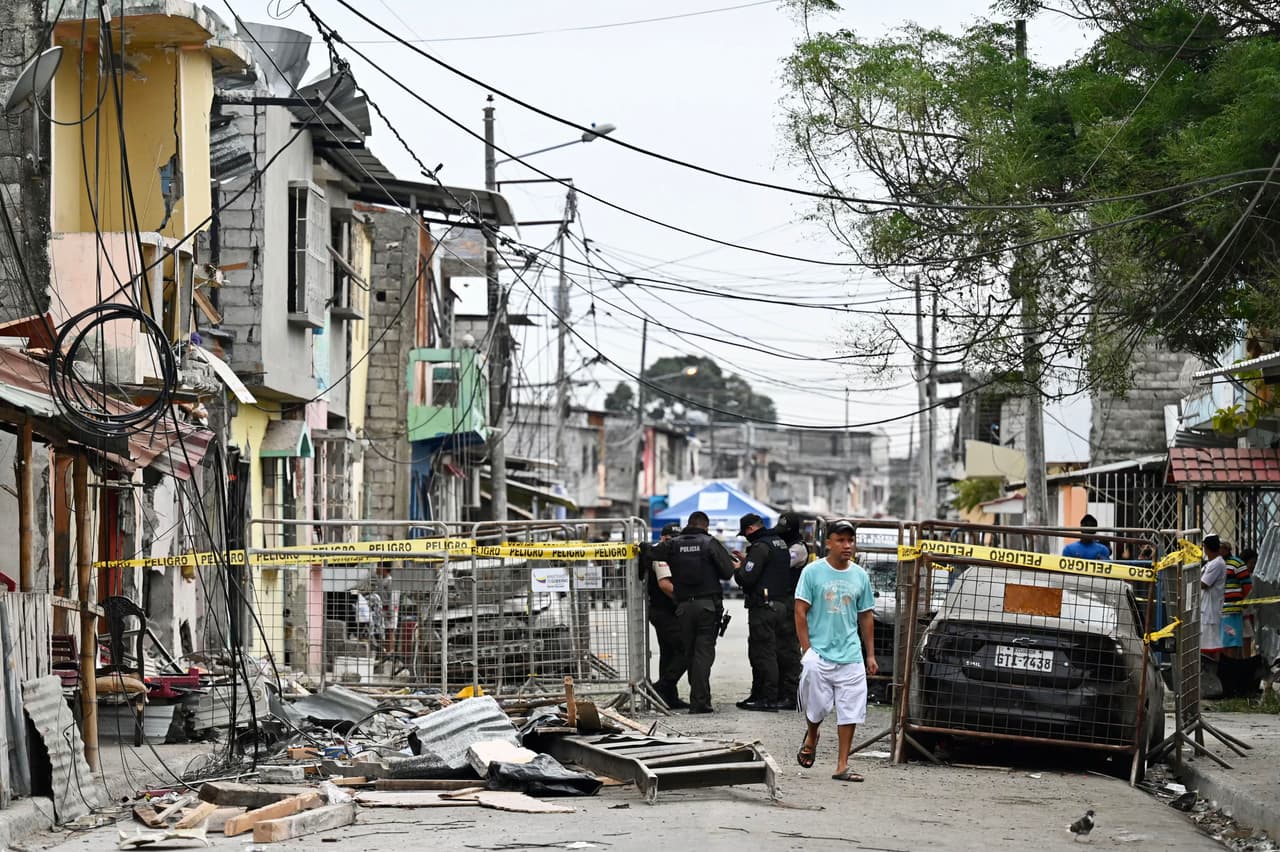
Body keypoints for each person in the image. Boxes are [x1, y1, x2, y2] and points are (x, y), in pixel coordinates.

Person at [794, 519, 878, 782]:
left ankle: (842, 764)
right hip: (819, 652)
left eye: (850, 540)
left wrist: (870, 654)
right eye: (840, 540)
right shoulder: (812, 572)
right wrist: (807, 649)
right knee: (816, 706)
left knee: (851, 708)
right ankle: (812, 733)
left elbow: (866, 616)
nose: (847, 545)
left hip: (850, 653)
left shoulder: (860, 576)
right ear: (828, 543)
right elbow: (799, 610)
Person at [651, 510, 736, 714]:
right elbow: (727, 572)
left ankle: (686, 695)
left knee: (689, 653)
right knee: (703, 654)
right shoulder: (710, 543)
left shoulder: (673, 544)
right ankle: (700, 702)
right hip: (707, 606)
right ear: (705, 526)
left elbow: (651, 553)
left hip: (682, 607)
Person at [732, 512, 802, 712]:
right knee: (772, 652)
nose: (746, 536)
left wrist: (739, 568)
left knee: (763, 653)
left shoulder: (760, 546)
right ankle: (762, 695)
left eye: (745, 533)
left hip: (763, 607)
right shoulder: (779, 543)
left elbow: (747, 578)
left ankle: (767, 698)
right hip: (780, 604)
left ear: (750, 529)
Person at [641, 523, 688, 709]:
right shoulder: (660, 555)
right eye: (670, 539)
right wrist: (684, 601)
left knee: (668, 652)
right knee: (685, 650)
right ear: (662, 538)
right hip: (664, 610)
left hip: (665, 610)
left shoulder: (671, 553)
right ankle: (662, 687)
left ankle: (669, 697)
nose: (673, 542)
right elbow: (665, 585)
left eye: (676, 539)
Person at [1221, 545, 1255, 659]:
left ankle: (1240, 663)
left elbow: (1247, 587)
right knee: (1230, 640)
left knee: (1233, 640)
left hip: (1234, 613)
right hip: (1227, 613)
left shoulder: (1235, 565)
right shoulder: (1219, 564)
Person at [1200, 535, 1227, 658]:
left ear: (1206, 548)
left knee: (1211, 644)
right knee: (1205, 643)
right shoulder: (1211, 563)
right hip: (1205, 609)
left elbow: (1204, 583)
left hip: (1210, 610)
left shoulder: (1217, 563)